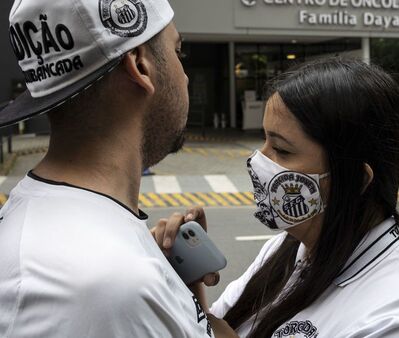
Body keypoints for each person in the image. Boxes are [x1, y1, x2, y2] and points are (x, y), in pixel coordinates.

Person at [156, 58, 399, 337]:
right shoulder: (288, 249)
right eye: (265, 141)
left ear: (355, 180)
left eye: (282, 150)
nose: (259, 160)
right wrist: (187, 286)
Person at [0, 0, 232, 336]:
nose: (184, 76)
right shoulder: (111, 288)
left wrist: (177, 289)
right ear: (141, 65)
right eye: (177, 52)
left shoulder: (62, 236)